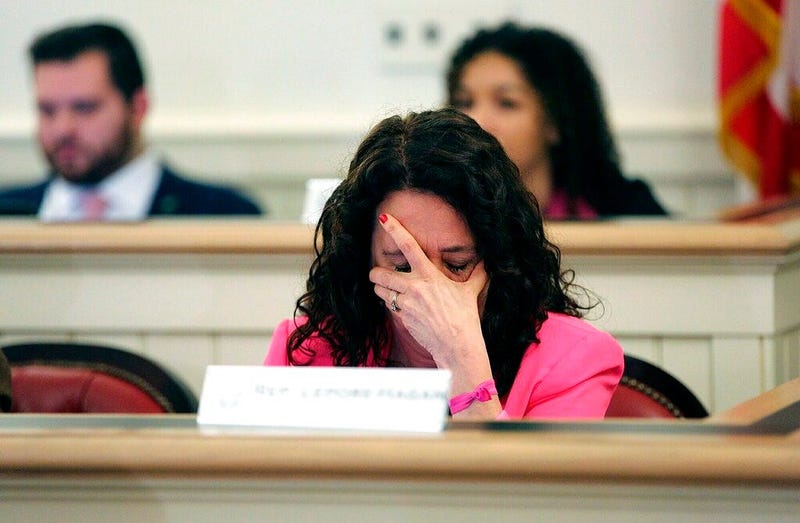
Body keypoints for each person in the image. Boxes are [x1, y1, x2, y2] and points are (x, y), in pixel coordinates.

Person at [264, 109, 623, 420]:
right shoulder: (303, 349)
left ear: (500, 260)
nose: (428, 292)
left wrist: (459, 356)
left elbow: (523, 498)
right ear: (363, 259)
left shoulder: (574, 359)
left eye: (456, 264)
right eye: (402, 267)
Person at [0, 22, 262, 220]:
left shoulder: (222, 215)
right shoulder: (7, 216)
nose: (62, 129)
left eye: (84, 108)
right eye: (47, 110)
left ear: (138, 107)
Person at [446, 22, 668, 220]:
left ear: (555, 121)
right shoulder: (439, 209)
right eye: (463, 102)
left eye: (506, 103)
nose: (475, 120)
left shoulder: (624, 208)